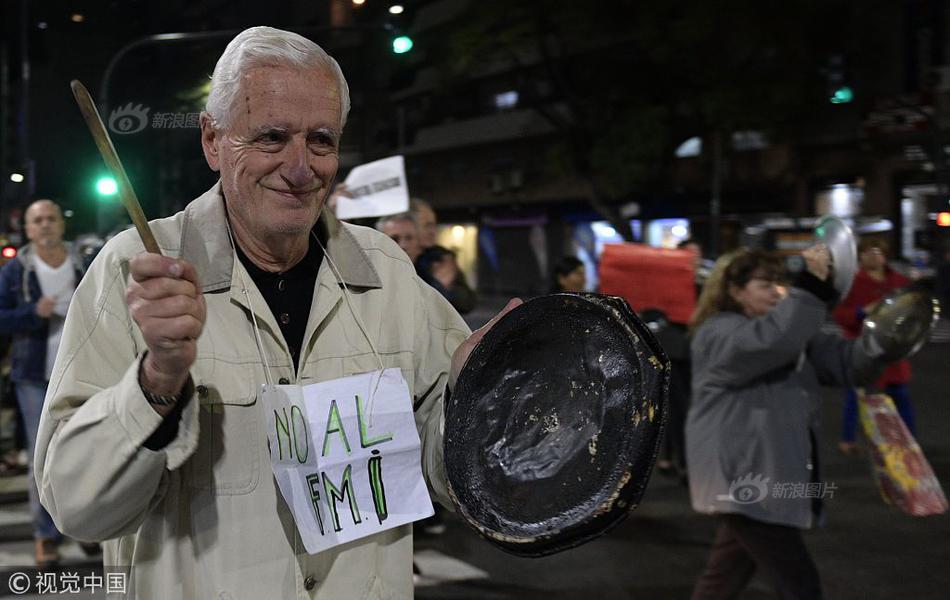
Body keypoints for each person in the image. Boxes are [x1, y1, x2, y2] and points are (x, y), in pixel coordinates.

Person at [35, 26, 518, 598]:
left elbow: (452, 474)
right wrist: (155, 384)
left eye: (321, 140)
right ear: (213, 141)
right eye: (270, 137)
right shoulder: (132, 269)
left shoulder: (386, 272)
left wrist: (477, 393)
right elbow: (76, 507)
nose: (300, 167)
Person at [686, 246, 886, 600]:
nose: (779, 292)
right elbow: (771, 343)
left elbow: (846, 363)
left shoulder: (789, 334)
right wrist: (808, 288)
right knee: (799, 585)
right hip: (744, 478)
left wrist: (886, 339)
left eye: (782, 284)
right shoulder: (718, 333)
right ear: (734, 291)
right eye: (766, 284)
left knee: (724, 577)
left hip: (760, 474)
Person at [0, 199, 89, 567]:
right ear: (29, 229)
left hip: (82, 370)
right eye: (38, 220)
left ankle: (86, 527)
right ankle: (45, 536)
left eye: (52, 218)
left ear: (61, 225)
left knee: (86, 452)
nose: (46, 225)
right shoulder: (16, 270)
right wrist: (31, 313)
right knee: (42, 459)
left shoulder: (83, 261)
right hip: (35, 376)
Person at [832, 237, 913, 455]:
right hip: (860, 346)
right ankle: (848, 440)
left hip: (892, 347)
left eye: (878, 251)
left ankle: (908, 439)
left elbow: (913, 310)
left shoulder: (899, 282)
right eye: (867, 252)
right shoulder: (851, 283)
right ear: (860, 257)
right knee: (854, 395)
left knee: (899, 392)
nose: (873, 256)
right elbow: (840, 315)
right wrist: (861, 311)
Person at [411, 199, 476, 314]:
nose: (433, 232)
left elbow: (467, 304)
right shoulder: (391, 255)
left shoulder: (442, 257)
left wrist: (448, 289)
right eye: (427, 226)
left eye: (434, 225)